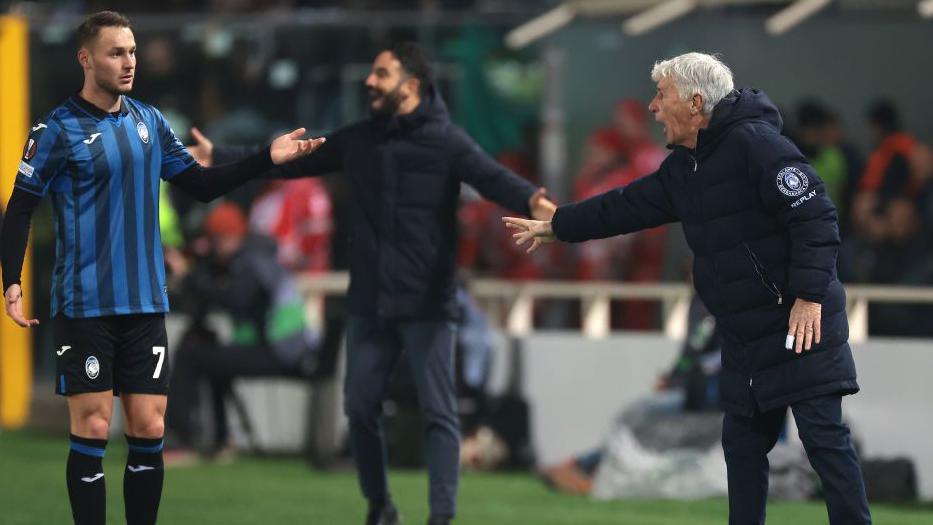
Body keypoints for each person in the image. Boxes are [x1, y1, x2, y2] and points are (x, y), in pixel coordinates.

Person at [189, 42, 556, 525]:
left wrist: (533, 201)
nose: (369, 82)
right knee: (360, 409)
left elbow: (492, 179)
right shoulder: (359, 139)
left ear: (413, 85)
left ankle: (440, 519)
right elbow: (295, 157)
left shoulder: (446, 141)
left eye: (381, 74)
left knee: (439, 414)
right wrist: (219, 155)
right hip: (369, 302)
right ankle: (380, 506)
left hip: (428, 302)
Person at [504, 52, 871, 525]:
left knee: (825, 443)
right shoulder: (685, 168)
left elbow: (816, 216)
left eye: (662, 95)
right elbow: (625, 206)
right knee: (741, 449)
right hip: (745, 336)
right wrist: (561, 226)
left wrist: (809, 296)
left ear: (696, 103)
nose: (653, 107)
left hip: (799, 325)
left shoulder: (758, 145)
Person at [0, 11, 323, 525]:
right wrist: (12, 282)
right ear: (86, 59)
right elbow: (19, 207)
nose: (129, 62)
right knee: (91, 424)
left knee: (150, 427)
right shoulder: (56, 129)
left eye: (131, 52)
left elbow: (202, 184)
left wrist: (268, 157)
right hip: (85, 302)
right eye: (115, 53)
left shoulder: (150, 122)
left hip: (145, 301)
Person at [164, 202, 321, 456]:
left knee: (194, 355)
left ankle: (181, 440)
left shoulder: (253, 262)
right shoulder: (257, 256)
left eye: (219, 240)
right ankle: (221, 439)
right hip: (279, 346)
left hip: (284, 349)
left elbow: (236, 298)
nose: (216, 247)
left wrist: (189, 276)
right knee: (203, 349)